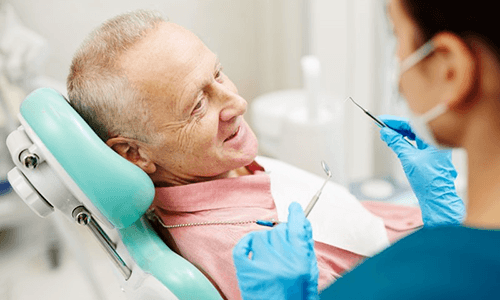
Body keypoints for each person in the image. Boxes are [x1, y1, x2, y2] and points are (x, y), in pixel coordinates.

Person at [66, 10, 429, 300]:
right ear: (134, 153)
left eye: (218, 74)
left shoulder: (217, 165)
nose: (237, 103)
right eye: (196, 105)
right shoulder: (242, 256)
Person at [232, 0, 500, 299]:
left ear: (449, 71)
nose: (398, 59)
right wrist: (449, 223)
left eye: (396, 35)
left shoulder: (388, 286)